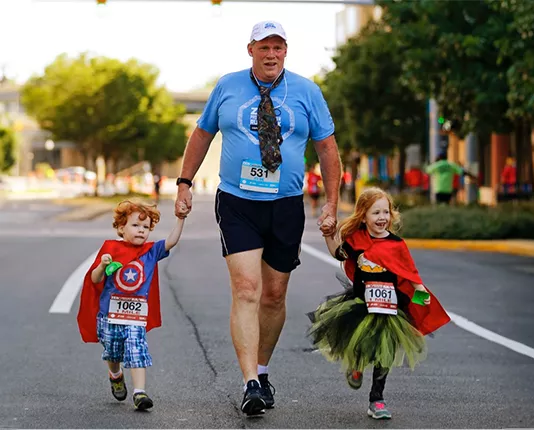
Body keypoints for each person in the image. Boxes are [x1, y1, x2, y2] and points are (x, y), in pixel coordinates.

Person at [174, 20, 341, 415]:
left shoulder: (306, 91)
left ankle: (262, 370)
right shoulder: (228, 86)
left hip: (285, 203)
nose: (271, 54)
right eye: (263, 47)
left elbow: (328, 149)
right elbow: (202, 134)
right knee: (247, 289)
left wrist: (332, 202)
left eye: (278, 47)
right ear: (250, 49)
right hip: (237, 201)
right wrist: (184, 182)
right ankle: (250, 382)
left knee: (274, 294)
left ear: (286, 51)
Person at [308, 187, 450, 420]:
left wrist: (421, 301)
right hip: (361, 303)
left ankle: (377, 399)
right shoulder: (357, 240)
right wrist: (328, 235)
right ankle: (355, 365)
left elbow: (412, 276)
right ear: (363, 216)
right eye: (376, 213)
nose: (382, 217)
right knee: (361, 343)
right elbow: (339, 254)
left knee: (385, 352)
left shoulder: (397, 244)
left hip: (390, 307)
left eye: (386, 212)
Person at [77, 201, 185, 410]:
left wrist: (181, 219)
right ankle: (115, 374)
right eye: (136, 226)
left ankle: (139, 392)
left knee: (137, 348)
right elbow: (95, 278)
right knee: (113, 352)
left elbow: (171, 242)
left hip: (135, 316)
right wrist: (103, 265)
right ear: (121, 228)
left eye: (146, 228)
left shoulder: (151, 251)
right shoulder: (111, 249)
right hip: (109, 314)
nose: (141, 231)